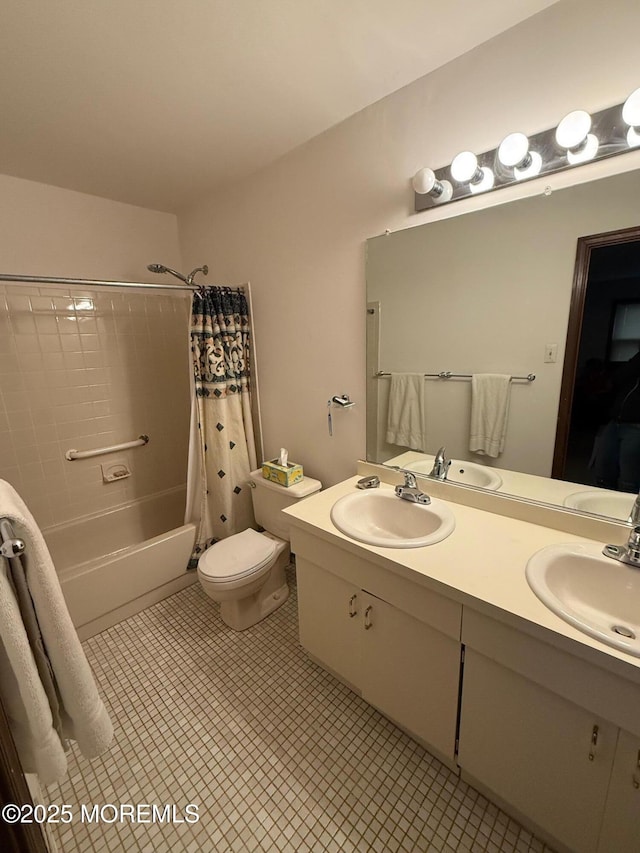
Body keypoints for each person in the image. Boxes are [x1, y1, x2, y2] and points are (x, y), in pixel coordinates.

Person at [592, 349, 640, 493]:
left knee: (629, 480)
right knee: (602, 472)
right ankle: (602, 512)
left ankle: (628, 514)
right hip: (615, 422)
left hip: (636, 427)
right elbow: (618, 377)